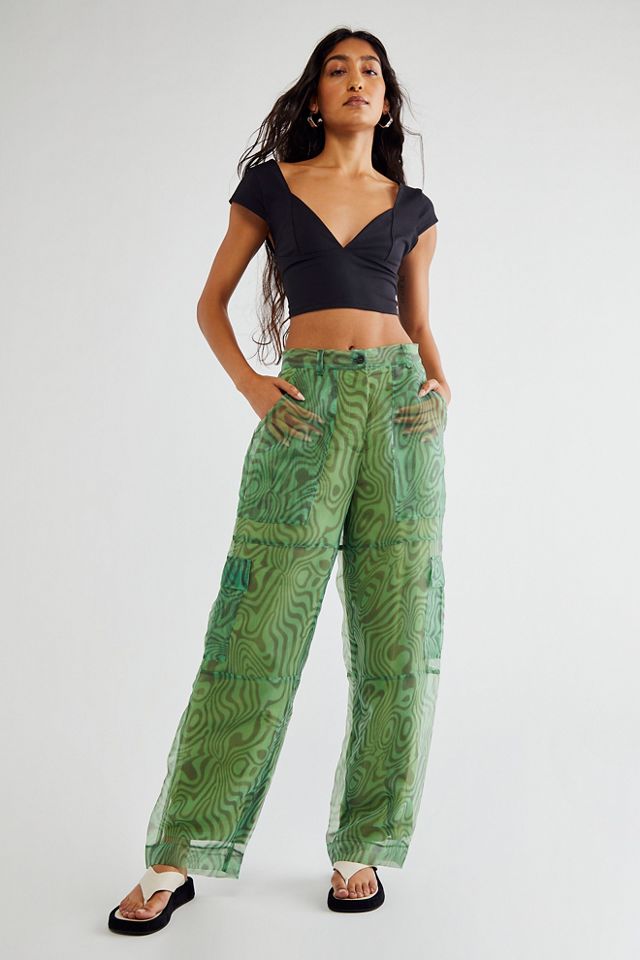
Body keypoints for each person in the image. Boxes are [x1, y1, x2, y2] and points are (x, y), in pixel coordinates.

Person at [108, 26, 450, 935]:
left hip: (401, 417)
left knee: (399, 638)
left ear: (386, 99)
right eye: (338, 69)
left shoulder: (412, 207)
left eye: (370, 70)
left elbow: (419, 324)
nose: (356, 80)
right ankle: (179, 852)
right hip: (305, 410)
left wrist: (442, 386)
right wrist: (253, 387)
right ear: (315, 95)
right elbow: (209, 303)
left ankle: (363, 844)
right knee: (253, 632)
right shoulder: (271, 186)